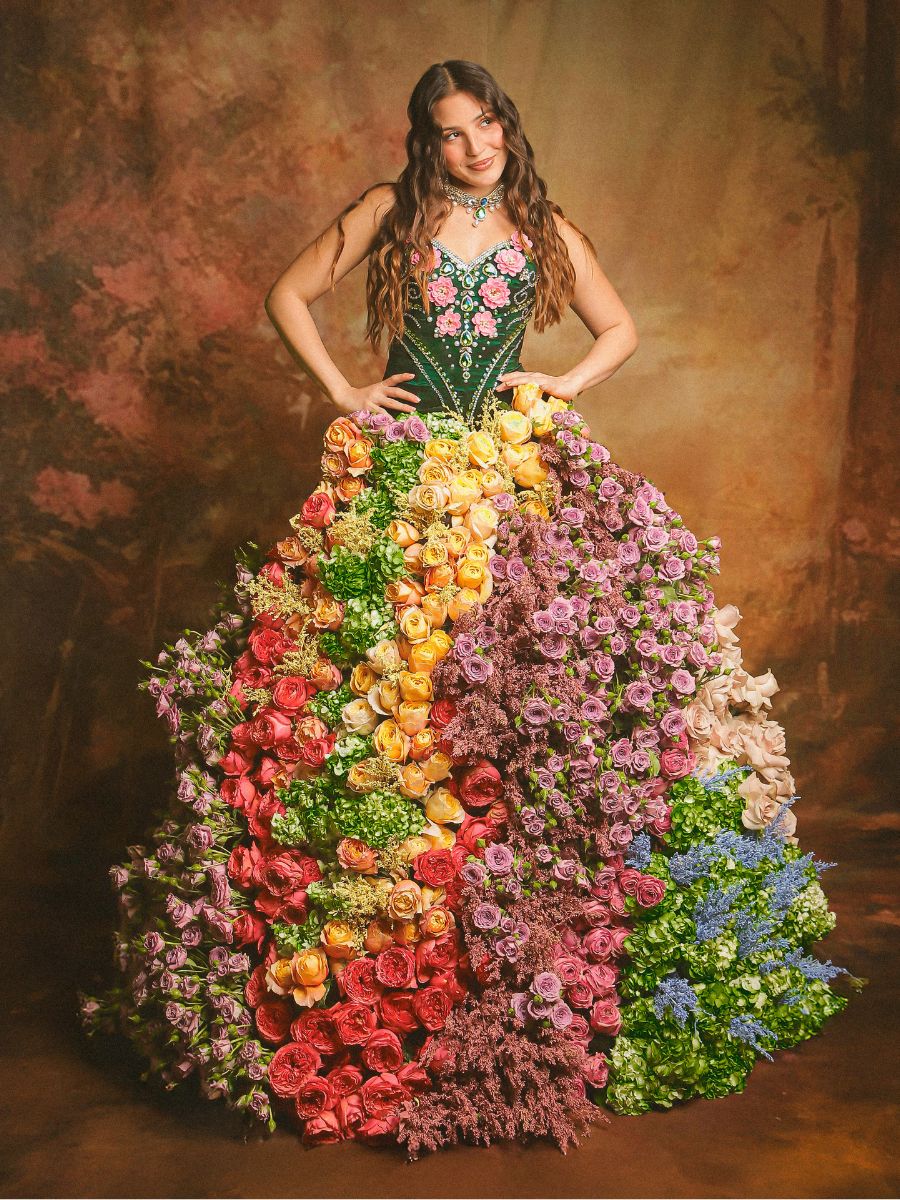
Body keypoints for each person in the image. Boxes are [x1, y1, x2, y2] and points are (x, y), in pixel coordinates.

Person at [80, 59, 848, 1157]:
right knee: (369, 691)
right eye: (451, 133)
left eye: (486, 124)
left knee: (534, 691)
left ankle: (534, 944)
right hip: (399, 470)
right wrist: (344, 393)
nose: (474, 146)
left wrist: (567, 387)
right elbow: (284, 295)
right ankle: (375, 944)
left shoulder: (542, 217)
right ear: (424, 142)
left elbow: (616, 328)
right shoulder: (389, 212)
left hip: (509, 466)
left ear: (506, 127)